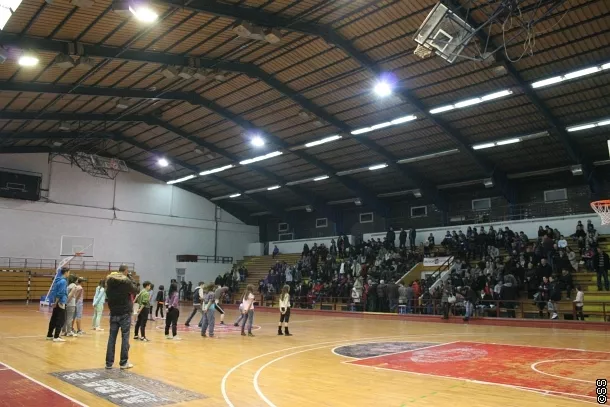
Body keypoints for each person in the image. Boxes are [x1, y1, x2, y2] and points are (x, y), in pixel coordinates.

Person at [105, 265, 138, 370]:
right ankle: (123, 363)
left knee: (111, 338)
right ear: (126, 271)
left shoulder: (109, 283)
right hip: (125, 313)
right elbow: (136, 290)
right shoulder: (126, 282)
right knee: (125, 338)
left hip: (113, 313)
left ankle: (108, 363)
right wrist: (131, 278)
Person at [46, 267, 70, 342]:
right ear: (65, 272)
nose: (69, 274)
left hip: (56, 301)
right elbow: (60, 293)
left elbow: (54, 291)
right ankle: (56, 336)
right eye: (69, 272)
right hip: (61, 302)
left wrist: (54, 301)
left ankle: (49, 335)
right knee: (61, 319)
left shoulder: (57, 280)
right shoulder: (63, 281)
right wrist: (56, 302)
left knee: (53, 319)